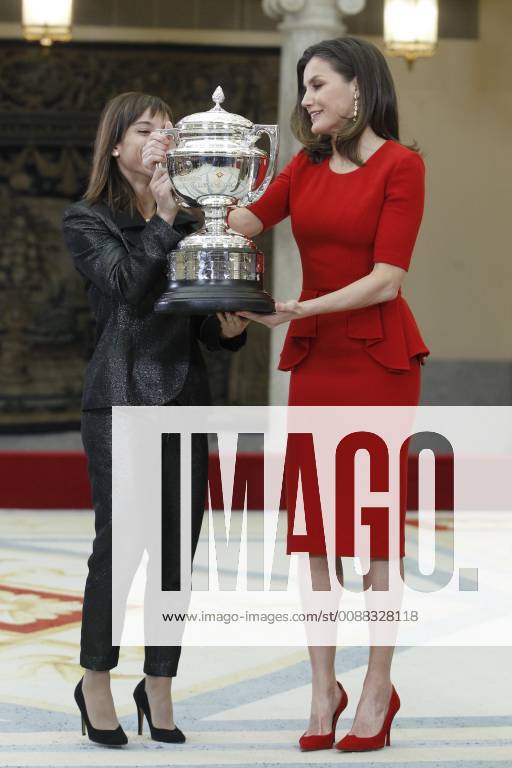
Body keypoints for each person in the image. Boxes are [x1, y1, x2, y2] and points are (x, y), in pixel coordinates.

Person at [229, 37, 429, 753]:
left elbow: (387, 277)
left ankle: (377, 686)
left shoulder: (402, 167)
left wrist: (299, 308)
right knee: (313, 534)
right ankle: (322, 687)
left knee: (374, 537)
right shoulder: (303, 168)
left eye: (318, 84)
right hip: (317, 363)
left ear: (359, 88)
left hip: (376, 360)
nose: (306, 97)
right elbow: (241, 222)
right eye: (303, 86)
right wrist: (185, 200)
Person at [62, 91, 249, 747]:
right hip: (118, 398)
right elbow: (128, 290)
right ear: (115, 146)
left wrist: (226, 329)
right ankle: (95, 682)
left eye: (170, 130)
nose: (162, 140)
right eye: (146, 130)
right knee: (119, 552)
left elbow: (193, 320)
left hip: (183, 397)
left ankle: (160, 683)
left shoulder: (200, 222)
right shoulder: (87, 220)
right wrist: (169, 218)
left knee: (176, 555)